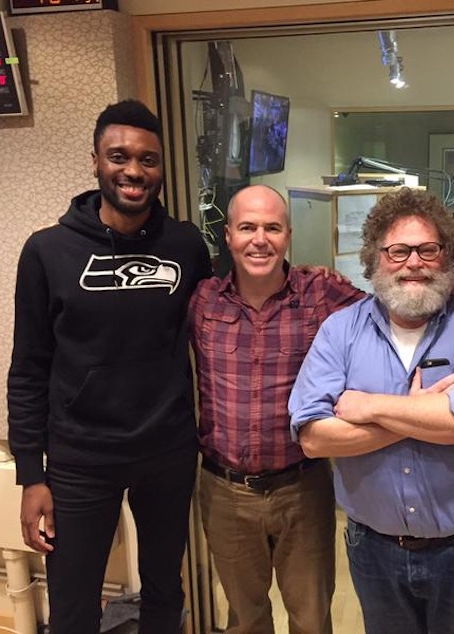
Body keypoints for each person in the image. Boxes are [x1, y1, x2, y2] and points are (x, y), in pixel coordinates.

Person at [7, 99, 211, 633]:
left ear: (162, 169)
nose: (134, 171)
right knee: (73, 603)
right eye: (119, 156)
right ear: (96, 161)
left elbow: (238, 304)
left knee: (166, 588)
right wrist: (32, 474)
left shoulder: (186, 246)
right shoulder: (47, 252)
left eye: (148, 160)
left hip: (167, 450)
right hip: (80, 459)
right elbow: (27, 367)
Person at [289, 187, 454, 634]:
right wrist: (417, 413)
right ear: (373, 259)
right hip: (373, 552)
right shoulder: (340, 331)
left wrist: (368, 406)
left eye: (429, 249)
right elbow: (313, 437)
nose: (414, 262)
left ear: (448, 257)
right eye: (398, 250)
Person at [188, 184, 364, 634]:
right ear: (228, 236)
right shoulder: (202, 301)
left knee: (310, 619)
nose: (259, 239)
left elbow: (395, 312)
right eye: (247, 228)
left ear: (288, 235)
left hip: (301, 489)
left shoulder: (321, 293)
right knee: (245, 620)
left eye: (272, 228)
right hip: (225, 492)